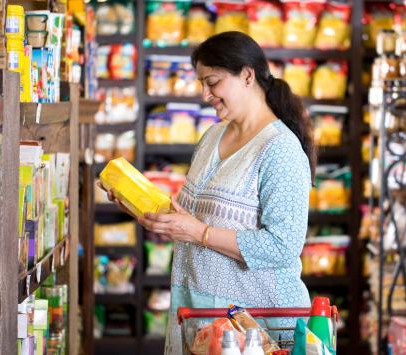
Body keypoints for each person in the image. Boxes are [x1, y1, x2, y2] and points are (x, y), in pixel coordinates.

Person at [99, 31, 316, 354]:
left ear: (246, 75)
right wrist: (143, 209)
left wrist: (199, 232)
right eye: (202, 83)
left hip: (255, 324)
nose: (204, 94)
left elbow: (283, 246)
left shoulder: (280, 149)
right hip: (202, 312)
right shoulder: (212, 137)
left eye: (212, 82)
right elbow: (192, 222)